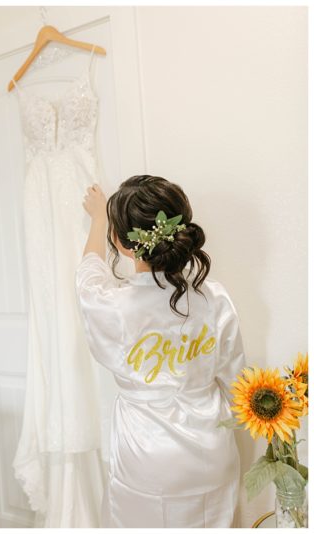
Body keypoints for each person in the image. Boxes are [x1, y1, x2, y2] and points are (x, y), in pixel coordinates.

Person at [77, 175, 244, 527]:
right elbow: (238, 387)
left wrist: (97, 220)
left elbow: (88, 276)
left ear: (121, 243)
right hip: (212, 455)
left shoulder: (113, 306)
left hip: (145, 460)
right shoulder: (215, 298)